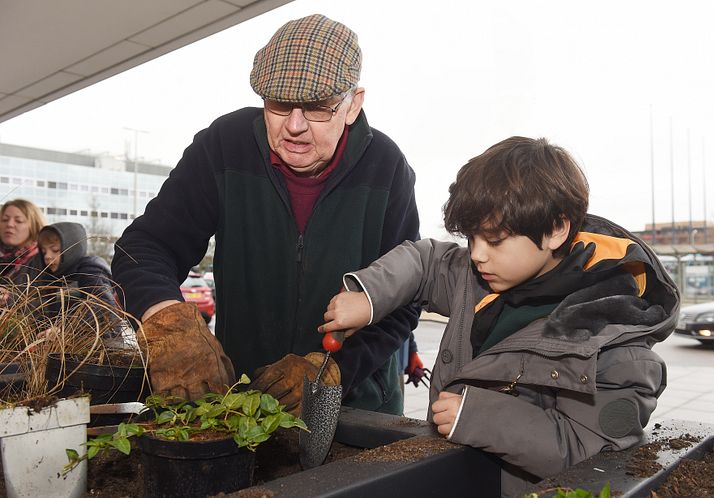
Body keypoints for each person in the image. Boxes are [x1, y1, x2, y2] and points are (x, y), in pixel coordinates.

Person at [319, 136, 679, 496]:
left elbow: (589, 455)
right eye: (471, 238)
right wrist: (368, 295)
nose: (477, 255)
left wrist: (478, 417)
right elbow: (424, 262)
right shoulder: (479, 277)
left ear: (556, 229)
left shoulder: (617, 347)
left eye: (494, 240)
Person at [111, 14, 420, 415]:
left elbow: (405, 299)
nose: (294, 126)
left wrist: (333, 370)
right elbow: (146, 247)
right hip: (241, 401)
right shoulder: (223, 145)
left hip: (357, 408)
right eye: (278, 104)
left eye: (316, 108)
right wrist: (166, 318)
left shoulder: (388, 167)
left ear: (352, 104)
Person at [35, 222, 122, 338]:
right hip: (67, 348)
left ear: (71, 249)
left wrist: (63, 330)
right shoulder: (51, 278)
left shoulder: (91, 270)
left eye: (55, 250)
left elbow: (102, 307)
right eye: (44, 251)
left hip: (102, 346)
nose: (47, 256)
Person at [0, 199, 46, 286]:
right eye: (4, 220)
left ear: (34, 225)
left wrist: (10, 297)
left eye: (18, 221)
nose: (9, 224)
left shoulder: (43, 260)